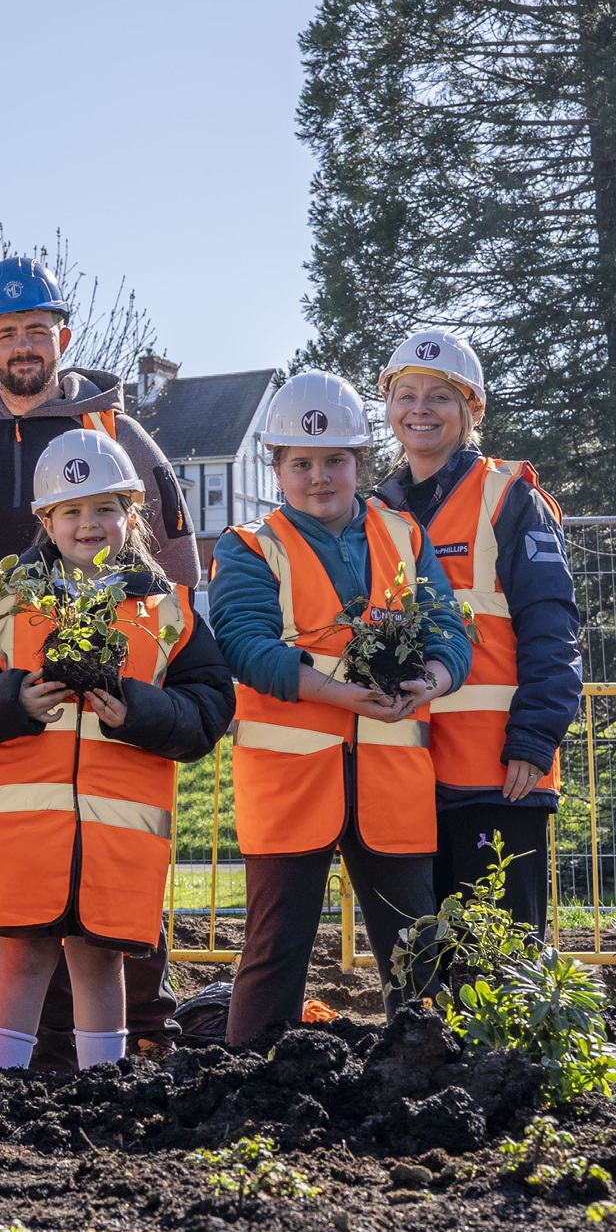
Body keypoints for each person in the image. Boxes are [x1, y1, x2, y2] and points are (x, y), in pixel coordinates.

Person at [0, 256, 202, 1065]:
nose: (24, 346)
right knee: (28, 897)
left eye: (38, 329)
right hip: (5, 698)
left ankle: (133, 1042)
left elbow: (173, 557)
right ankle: (33, 1064)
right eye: (7, 333)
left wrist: (149, 673)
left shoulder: (122, 436)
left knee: (110, 896)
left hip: (118, 716)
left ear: (63, 336)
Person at [0, 430, 232, 1069]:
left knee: (101, 962)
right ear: (46, 520)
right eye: (71, 510)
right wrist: (14, 700)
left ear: (131, 514)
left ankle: (106, 1093)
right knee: (22, 957)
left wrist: (140, 712)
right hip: (23, 832)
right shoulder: (2, 599)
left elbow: (209, 709)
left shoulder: (169, 611)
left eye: (104, 508)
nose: (88, 523)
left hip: (117, 836)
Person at [207, 372, 473, 1046]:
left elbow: (447, 627)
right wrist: (334, 691)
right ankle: (251, 1089)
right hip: (290, 782)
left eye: (334, 461)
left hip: (391, 779)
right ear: (277, 468)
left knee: (415, 955)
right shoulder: (247, 546)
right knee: (274, 950)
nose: (318, 477)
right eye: (301, 463)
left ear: (359, 461)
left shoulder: (403, 533)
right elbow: (242, 642)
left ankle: (423, 1071)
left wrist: (435, 677)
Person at [372, 330, 580, 934]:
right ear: (388, 407)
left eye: (439, 396)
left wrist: (535, 739)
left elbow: (552, 627)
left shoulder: (511, 497)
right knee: (426, 964)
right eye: (405, 394)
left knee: (504, 965)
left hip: (499, 773)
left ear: (473, 409)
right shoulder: (374, 511)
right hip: (407, 770)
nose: (419, 409)